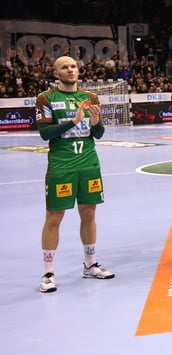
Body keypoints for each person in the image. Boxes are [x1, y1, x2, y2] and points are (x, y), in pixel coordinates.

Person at [36, 55, 114, 292]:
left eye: (73, 66)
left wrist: (96, 123)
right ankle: (48, 273)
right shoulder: (46, 98)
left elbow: (98, 134)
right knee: (54, 217)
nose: (70, 70)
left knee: (89, 213)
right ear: (56, 73)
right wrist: (73, 121)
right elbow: (45, 133)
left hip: (89, 164)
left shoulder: (90, 98)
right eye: (65, 67)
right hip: (62, 166)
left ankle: (90, 264)